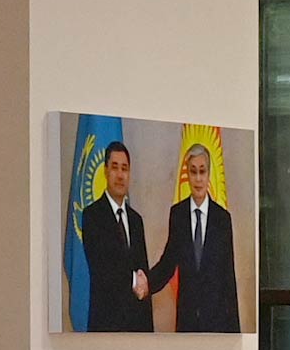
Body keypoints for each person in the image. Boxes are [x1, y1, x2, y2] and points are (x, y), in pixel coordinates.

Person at [155, 138, 242, 332]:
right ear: (187, 174)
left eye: (202, 171)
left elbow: (228, 277)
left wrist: (235, 335)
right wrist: (145, 283)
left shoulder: (222, 219)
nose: (198, 179)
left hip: (217, 324)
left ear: (209, 174)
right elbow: (167, 264)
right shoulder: (177, 214)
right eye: (193, 172)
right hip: (187, 323)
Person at [76, 140, 153, 331]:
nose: (120, 175)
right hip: (106, 325)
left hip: (136, 328)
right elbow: (102, 269)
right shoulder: (92, 216)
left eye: (124, 169)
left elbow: (142, 271)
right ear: (105, 171)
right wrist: (134, 280)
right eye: (115, 167)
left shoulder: (136, 220)